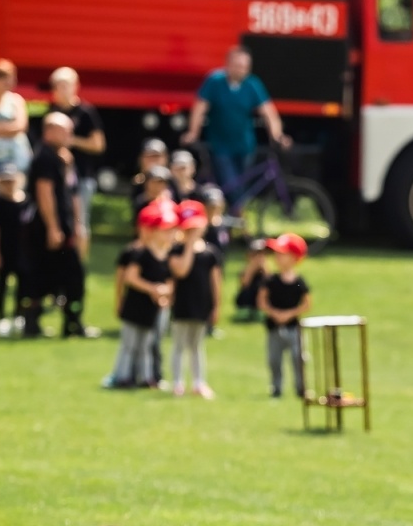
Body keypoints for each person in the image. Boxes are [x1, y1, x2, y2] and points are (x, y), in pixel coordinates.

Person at [17, 111, 85, 338]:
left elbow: (69, 193)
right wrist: (53, 227)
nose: (70, 135)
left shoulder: (61, 158)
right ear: (50, 131)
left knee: (69, 275)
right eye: (65, 130)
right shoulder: (44, 157)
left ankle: (71, 323)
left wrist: (74, 224)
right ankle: (34, 323)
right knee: (45, 275)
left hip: (60, 225)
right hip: (46, 228)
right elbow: (44, 193)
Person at [182, 47, 285, 195]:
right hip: (221, 145)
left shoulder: (252, 85)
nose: (241, 70)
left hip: (245, 146)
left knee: (241, 183)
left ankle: (232, 214)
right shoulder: (214, 82)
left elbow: (269, 113)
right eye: (237, 66)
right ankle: (233, 215)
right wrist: (193, 133)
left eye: (244, 67)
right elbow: (199, 108)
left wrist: (277, 135)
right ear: (228, 65)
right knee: (231, 185)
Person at [107, 199, 176, 389]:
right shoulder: (141, 254)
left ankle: (146, 378)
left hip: (151, 310)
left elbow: (170, 283)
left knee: (146, 345)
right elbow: (129, 277)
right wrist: (152, 289)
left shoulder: (166, 258)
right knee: (129, 344)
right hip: (134, 306)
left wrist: (163, 295)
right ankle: (123, 376)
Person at [167, 199, 221, 398]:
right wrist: (189, 245)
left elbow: (216, 282)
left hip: (201, 306)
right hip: (182, 305)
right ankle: (178, 383)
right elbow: (181, 271)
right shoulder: (176, 251)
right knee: (179, 344)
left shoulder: (210, 254)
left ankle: (199, 382)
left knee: (197, 345)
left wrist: (216, 306)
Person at [45, 67, 104, 240]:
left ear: (75, 87)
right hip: (56, 176)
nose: (61, 90)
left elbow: (98, 145)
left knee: (80, 223)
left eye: (65, 85)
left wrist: (72, 141)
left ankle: (79, 265)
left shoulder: (85, 112)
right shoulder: (52, 111)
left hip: (82, 176)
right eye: (58, 86)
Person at [256, 233, 310, 398]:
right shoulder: (271, 280)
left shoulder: (299, 281)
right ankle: (276, 388)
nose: (277, 257)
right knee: (274, 359)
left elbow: (307, 303)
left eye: (282, 254)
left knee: (298, 357)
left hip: (294, 327)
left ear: (294, 258)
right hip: (274, 327)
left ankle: (301, 388)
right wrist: (274, 313)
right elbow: (261, 301)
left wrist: (289, 314)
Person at [0, 163, 23, 334]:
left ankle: (18, 315)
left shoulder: (25, 201)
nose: (9, 185)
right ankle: (1, 318)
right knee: (2, 284)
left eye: (11, 181)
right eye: (5, 182)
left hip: (22, 251)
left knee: (22, 285)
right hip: (4, 250)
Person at [233, 236, 270, 323]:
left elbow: (269, 282)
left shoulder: (265, 268)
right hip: (249, 295)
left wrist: (264, 269)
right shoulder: (245, 268)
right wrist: (252, 268)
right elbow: (245, 284)